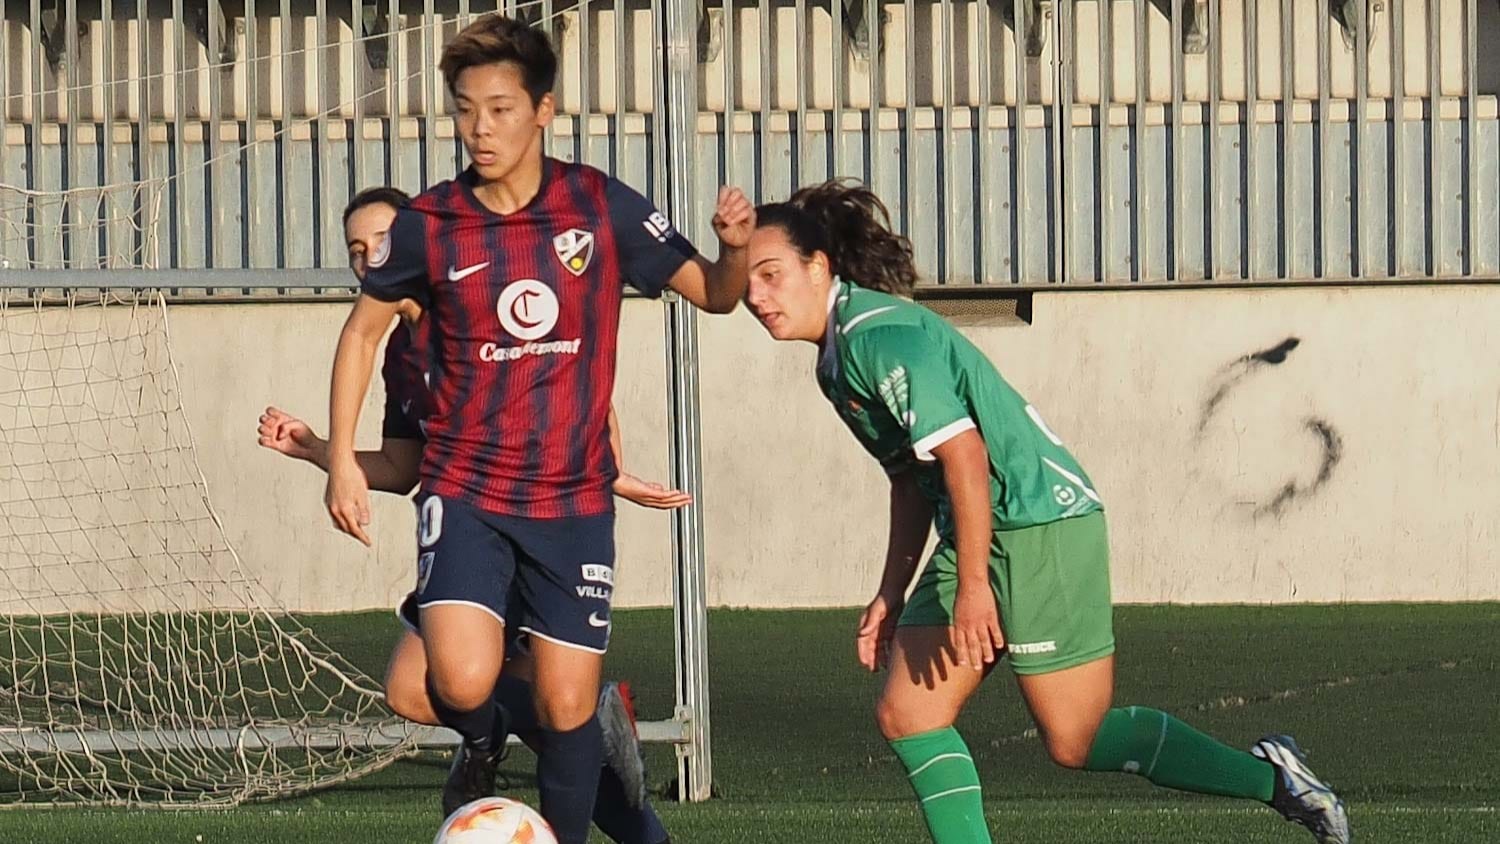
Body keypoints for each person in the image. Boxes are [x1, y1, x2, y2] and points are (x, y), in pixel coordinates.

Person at [739, 179, 1351, 844]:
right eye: (746, 283)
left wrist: (974, 587)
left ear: (818, 266)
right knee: (909, 713)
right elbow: (911, 480)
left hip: (1041, 524)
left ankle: (1275, 780)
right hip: (977, 530)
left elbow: (965, 458)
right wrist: (890, 593)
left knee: (1076, 738)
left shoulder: (878, 338)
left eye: (770, 275)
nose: (755, 296)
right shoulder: (836, 361)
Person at [321, 16, 753, 844]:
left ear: (543, 109)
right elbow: (361, 333)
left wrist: (733, 252)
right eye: (464, 110)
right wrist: (339, 459)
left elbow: (717, 294)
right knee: (454, 676)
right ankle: (480, 742)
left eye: (499, 108)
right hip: (467, 488)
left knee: (564, 707)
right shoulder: (431, 222)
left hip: (572, 500)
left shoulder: (598, 204)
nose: (480, 129)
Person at [261, 186, 680, 843]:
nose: (372, 257)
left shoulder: (474, 308)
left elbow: (577, 388)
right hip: (464, 535)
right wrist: (320, 451)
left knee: (538, 713)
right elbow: (405, 467)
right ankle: (519, 741)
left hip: (531, 529)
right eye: (357, 250)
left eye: (383, 241)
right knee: (434, 695)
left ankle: (544, 745)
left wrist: (609, 472)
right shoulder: (402, 351)